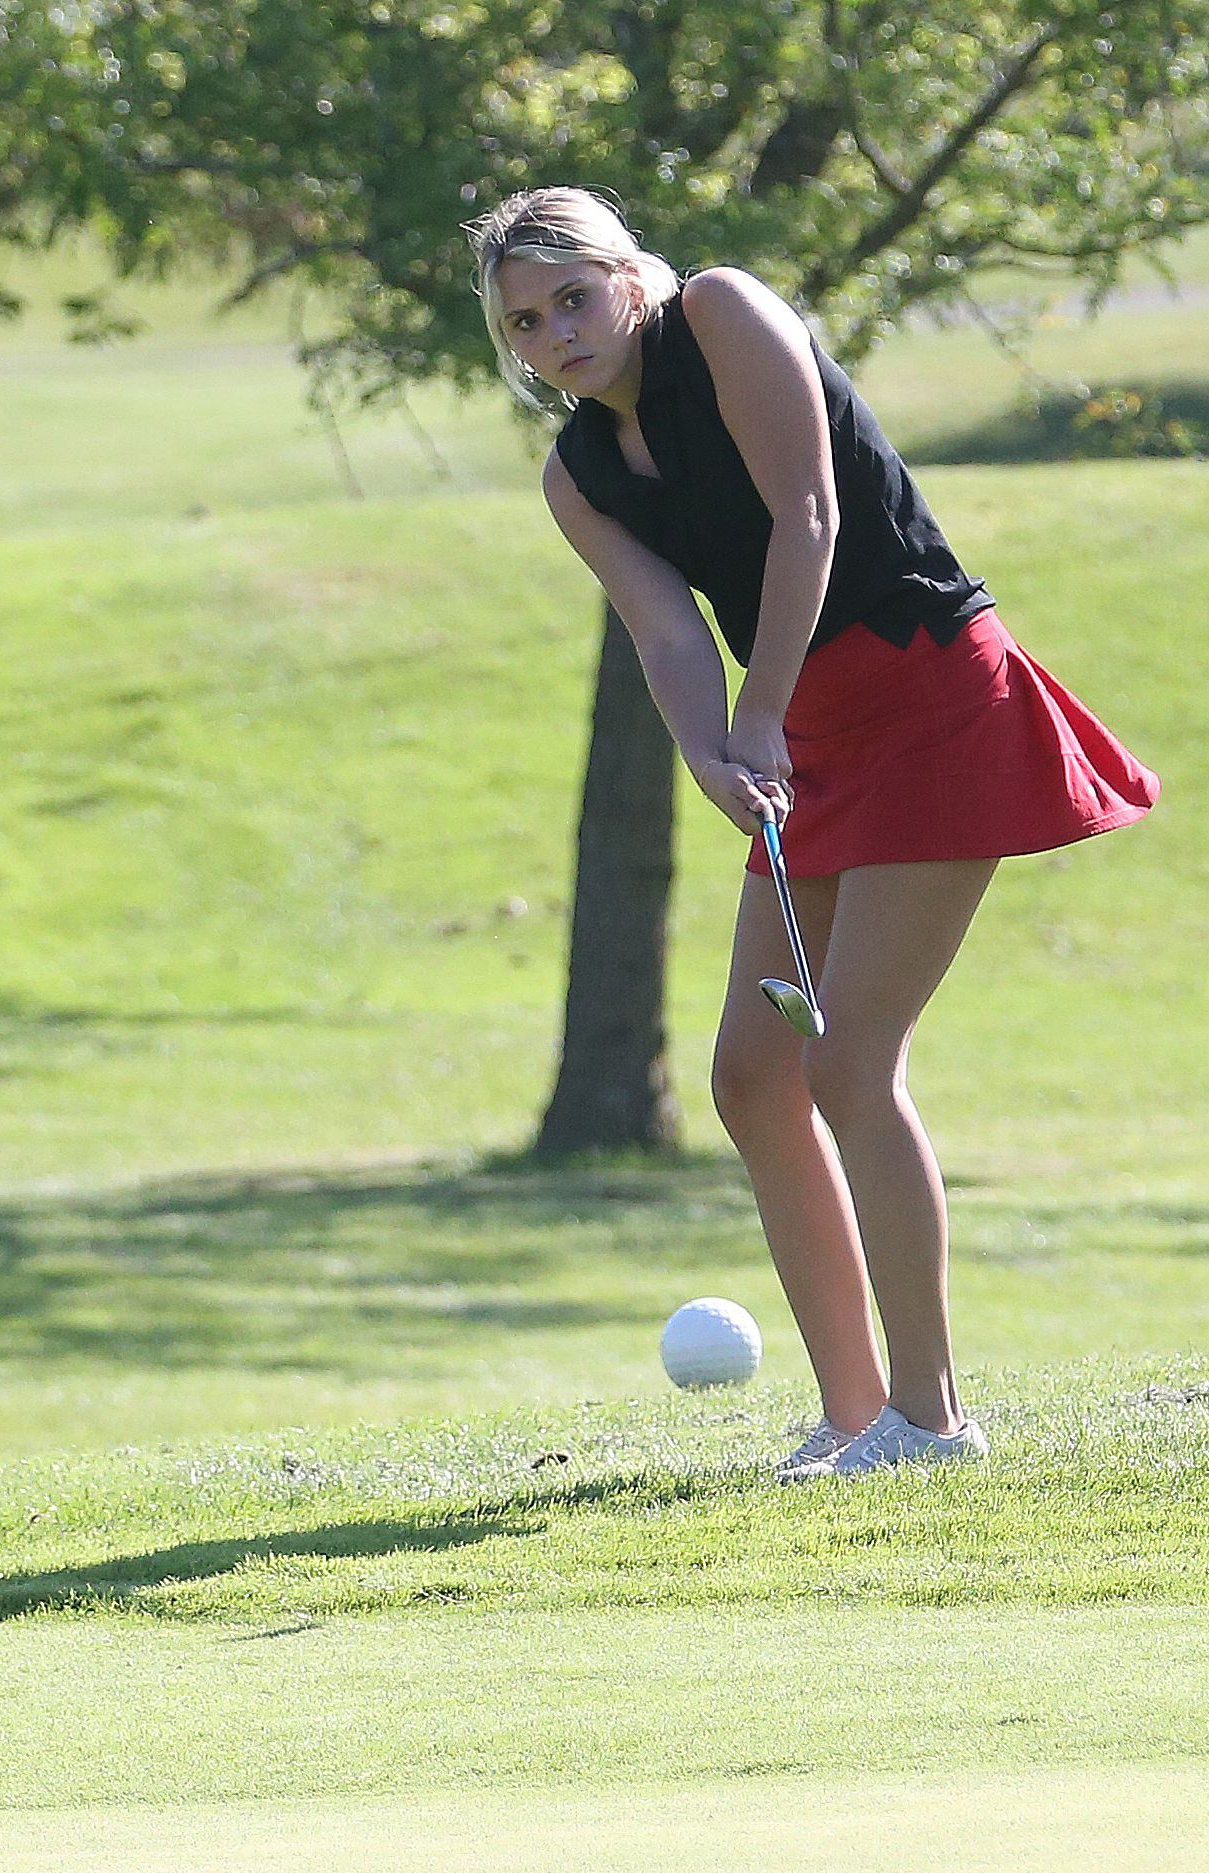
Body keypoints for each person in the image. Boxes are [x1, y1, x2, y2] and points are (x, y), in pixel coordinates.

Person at [468, 188, 1157, 1480]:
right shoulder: (578, 477)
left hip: (929, 690)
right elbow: (668, 633)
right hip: (808, 735)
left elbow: (812, 517)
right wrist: (714, 751)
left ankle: (933, 1421)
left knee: (847, 1061)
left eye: (573, 296)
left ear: (628, 276)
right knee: (751, 1075)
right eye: (525, 321)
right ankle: (855, 1422)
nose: (555, 332)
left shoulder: (723, 314)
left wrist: (762, 711)